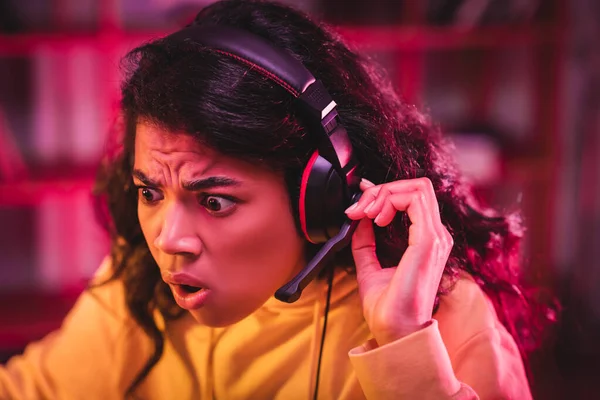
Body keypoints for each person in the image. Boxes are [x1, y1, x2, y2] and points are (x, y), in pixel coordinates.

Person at [0, 0, 552, 398]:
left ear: (320, 195)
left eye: (214, 201)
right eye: (150, 191)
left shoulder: (444, 319)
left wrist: (404, 346)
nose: (169, 240)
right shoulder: (140, 285)